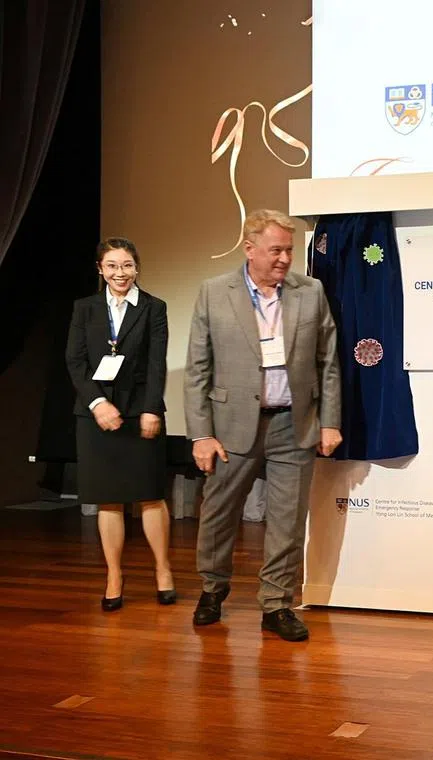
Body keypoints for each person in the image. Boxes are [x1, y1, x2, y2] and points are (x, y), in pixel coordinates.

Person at [184, 209, 342, 641]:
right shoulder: (215, 292)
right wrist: (201, 433)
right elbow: (198, 369)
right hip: (231, 425)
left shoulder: (310, 292)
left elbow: (328, 363)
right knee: (218, 514)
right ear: (249, 248)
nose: (285, 258)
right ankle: (212, 590)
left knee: (288, 520)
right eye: (276, 250)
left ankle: (276, 605)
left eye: (290, 250)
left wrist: (329, 421)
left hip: (294, 423)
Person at [65, 238, 176, 611]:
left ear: (136, 268)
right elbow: (75, 362)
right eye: (112, 266)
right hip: (96, 415)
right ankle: (115, 575)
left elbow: (157, 363)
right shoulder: (85, 308)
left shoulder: (153, 308)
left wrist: (151, 410)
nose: (120, 273)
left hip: (139, 412)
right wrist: (97, 403)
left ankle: (163, 571)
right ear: (100, 270)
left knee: (150, 494)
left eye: (127, 265)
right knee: (107, 498)